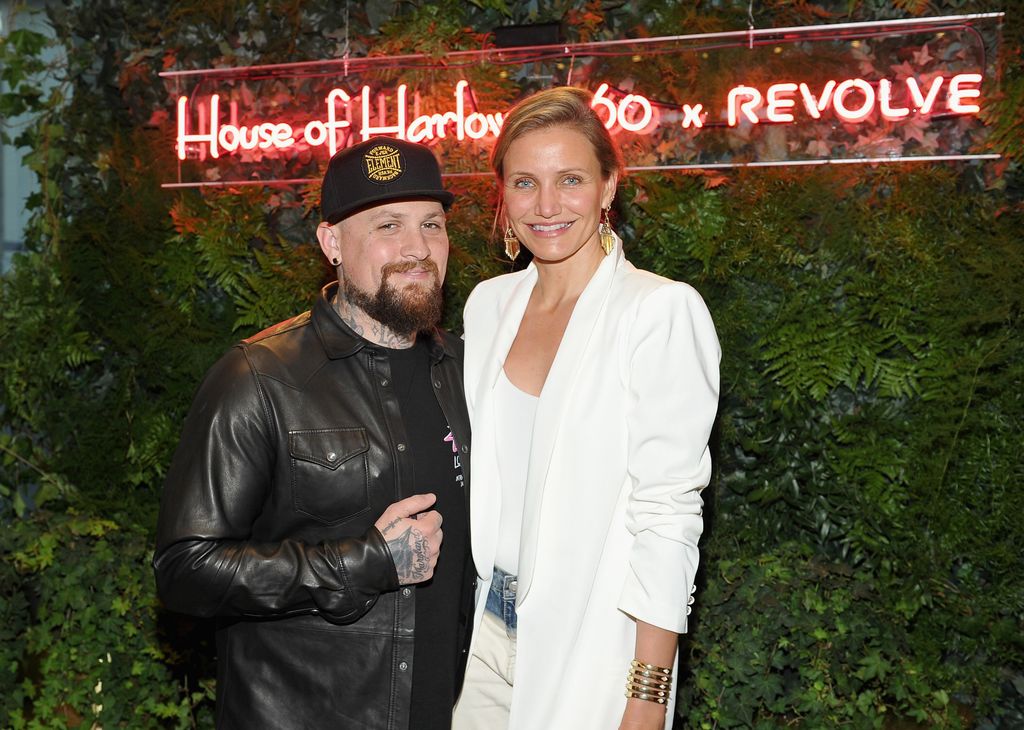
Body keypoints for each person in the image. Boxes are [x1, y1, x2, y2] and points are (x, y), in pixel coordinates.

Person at [153, 136, 474, 730]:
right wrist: (365, 563)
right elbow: (186, 569)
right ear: (332, 243)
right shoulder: (260, 377)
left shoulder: (466, 372)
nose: (417, 248)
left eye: (432, 224)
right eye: (387, 225)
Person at [452, 87, 721, 730]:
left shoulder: (657, 312)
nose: (547, 206)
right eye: (525, 182)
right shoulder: (486, 306)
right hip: (478, 642)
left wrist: (648, 699)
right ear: (503, 196)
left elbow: (670, 515)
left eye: (570, 179)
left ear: (608, 188)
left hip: (595, 648)